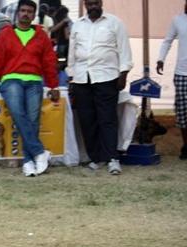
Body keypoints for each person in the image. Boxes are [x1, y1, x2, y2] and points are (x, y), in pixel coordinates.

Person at [0, 0, 59, 177]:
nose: (25, 14)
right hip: (11, 80)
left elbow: (49, 63)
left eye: (29, 12)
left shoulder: (41, 35)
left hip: (34, 80)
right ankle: (40, 152)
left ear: (34, 15)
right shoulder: (6, 34)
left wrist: (53, 85)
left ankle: (28, 161)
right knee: (18, 113)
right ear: (17, 13)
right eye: (23, 10)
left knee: (32, 121)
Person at [67, 0, 133, 174]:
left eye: (96, 3)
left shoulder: (114, 22)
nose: (93, 6)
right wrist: (71, 77)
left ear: (101, 3)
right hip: (82, 79)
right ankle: (96, 158)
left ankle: (113, 159)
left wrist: (123, 74)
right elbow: (72, 54)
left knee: (108, 119)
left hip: (107, 77)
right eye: (89, 4)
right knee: (87, 121)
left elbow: (124, 50)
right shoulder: (77, 26)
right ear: (85, 5)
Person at [157, 0, 187, 160]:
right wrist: (160, 59)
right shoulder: (177, 20)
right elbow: (167, 40)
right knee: (182, 114)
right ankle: (186, 146)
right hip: (182, 75)